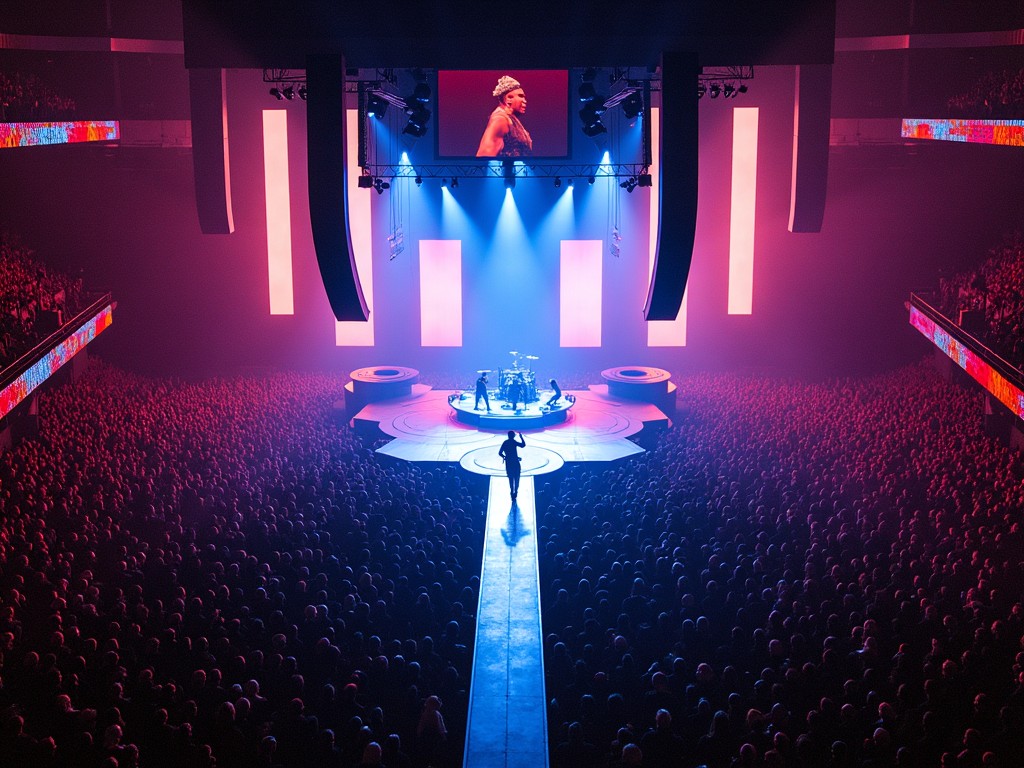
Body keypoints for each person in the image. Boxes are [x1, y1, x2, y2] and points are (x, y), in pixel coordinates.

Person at [476, 75, 533, 158]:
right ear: (508, 98)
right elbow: (484, 156)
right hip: (506, 170)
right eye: (521, 96)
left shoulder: (509, 118)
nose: (525, 101)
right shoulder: (500, 119)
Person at [498, 430, 525, 500]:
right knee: (517, 477)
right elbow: (523, 445)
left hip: (509, 463)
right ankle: (515, 491)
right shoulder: (514, 442)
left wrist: (505, 457)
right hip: (515, 462)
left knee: (510, 478)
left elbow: (500, 453)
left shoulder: (505, 442)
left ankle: (512, 491)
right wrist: (521, 437)